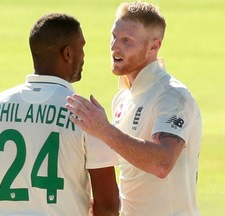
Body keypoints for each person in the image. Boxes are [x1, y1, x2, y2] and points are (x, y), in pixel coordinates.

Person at [0, 13, 120, 216]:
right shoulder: (87, 116)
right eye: (81, 48)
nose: (83, 56)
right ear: (67, 53)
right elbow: (107, 206)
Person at [66, 2, 202, 216]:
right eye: (114, 36)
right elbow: (134, 172)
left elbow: (162, 163)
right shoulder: (122, 98)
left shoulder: (173, 96)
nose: (114, 47)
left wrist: (104, 130)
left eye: (127, 41)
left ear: (154, 47)